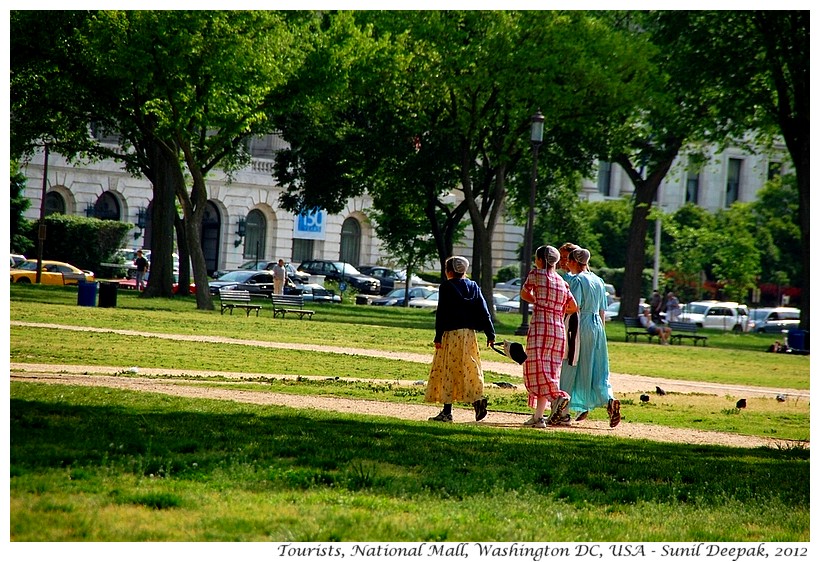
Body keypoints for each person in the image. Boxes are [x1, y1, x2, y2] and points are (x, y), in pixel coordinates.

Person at [425, 256, 495, 423]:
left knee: (448, 370)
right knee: (469, 367)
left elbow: (442, 312)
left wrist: (438, 336)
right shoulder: (473, 286)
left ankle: (447, 412)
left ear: (449, 271)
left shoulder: (446, 287)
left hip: (451, 334)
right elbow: (484, 310)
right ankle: (477, 399)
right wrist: (490, 333)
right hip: (469, 335)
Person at [559, 247, 621, 428]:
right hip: (597, 326)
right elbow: (602, 310)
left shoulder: (577, 280)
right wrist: (601, 332)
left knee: (571, 364)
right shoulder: (599, 280)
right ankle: (608, 399)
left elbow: (573, 306)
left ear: (573, 262)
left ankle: (563, 410)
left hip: (580, 324)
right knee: (597, 369)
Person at [520, 245, 578, 428]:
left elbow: (524, 293)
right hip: (557, 329)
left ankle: (559, 397)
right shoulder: (562, 281)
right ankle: (538, 417)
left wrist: (539, 302)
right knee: (549, 370)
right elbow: (573, 306)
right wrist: (556, 308)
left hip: (540, 327)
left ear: (539, 260)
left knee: (537, 370)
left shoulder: (536, 275)